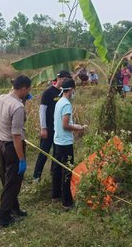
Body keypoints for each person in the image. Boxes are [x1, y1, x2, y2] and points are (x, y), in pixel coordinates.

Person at [0, 75, 32, 228]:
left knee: (8, 179)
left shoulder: (2, 98)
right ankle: (4, 218)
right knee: (12, 184)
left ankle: (14, 209)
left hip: (1, 144)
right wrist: (22, 159)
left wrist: (22, 100)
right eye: (27, 90)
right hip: (12, 147)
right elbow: (16, 136)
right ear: (24, 88)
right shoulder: (18, 108)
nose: (28, 92)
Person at [52, 78, 87, 210]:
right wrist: (79, 128)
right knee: (67, 172)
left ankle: (55, 195)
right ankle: (66, 202)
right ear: (71, 90)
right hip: (65, 143)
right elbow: (65, 125)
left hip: (57, 141)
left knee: (57, 170)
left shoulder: (59, 102)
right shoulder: (66, 104)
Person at [33, 70, 72, 182]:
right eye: (64, 79)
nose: (65, 82)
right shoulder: (48, 92)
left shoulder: (64, 93)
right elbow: (42, 110)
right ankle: (36, 176)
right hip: (48, 128)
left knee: (57, 154)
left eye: (67, 80)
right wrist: (43, 128)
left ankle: (53, 175)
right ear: (58, 79)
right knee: (44, 153)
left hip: (58, 129)